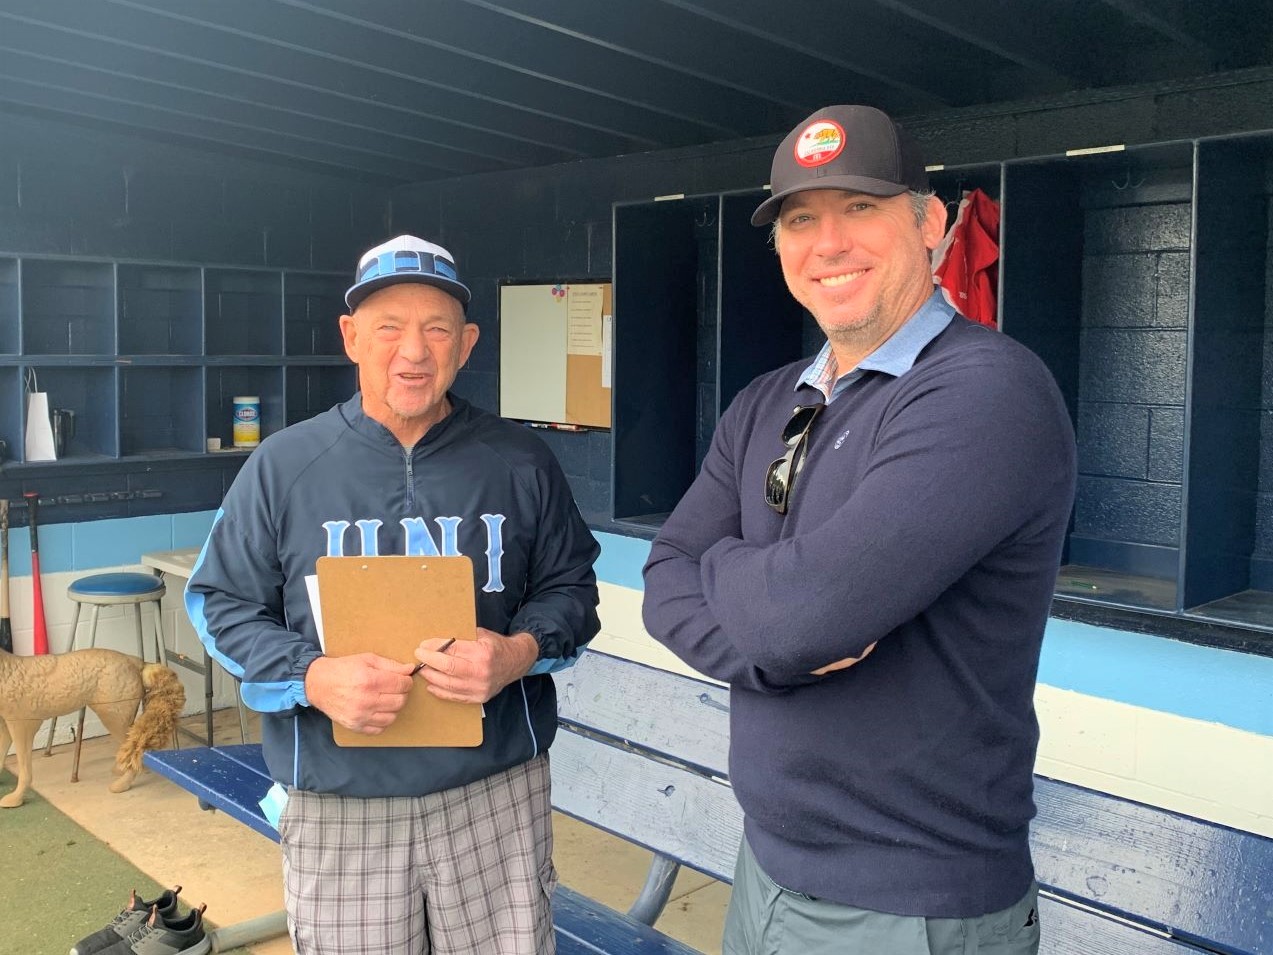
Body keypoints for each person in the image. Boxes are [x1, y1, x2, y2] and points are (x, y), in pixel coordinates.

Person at [641, 105, 1076, 954]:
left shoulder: (983, 392)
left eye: (862, 207)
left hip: (905, 903)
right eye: (800, 219)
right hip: (764, 868)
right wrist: (773, 642)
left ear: (932, 224)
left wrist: (727, 565)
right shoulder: (767, 399)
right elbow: (666, 577)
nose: (827, 242)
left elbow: (800, 616)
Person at [186, 234, 601, 954]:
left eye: (436, 328)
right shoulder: (284, 464)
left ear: (466, 343)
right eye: (389, 327)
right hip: (340, 794)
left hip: (493, 788)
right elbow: (219, 601)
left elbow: (573, 588)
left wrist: (516, 652)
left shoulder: (520, 460)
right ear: (351, 337)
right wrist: (311, 675)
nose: (414, 350)